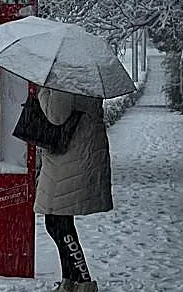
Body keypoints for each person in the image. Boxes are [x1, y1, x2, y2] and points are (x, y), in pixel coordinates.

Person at [34, 85, 112, 292]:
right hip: (73, 154)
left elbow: (56, 115)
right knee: (57, 221)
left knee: (58, 222)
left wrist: (42, 91)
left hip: (71, 156)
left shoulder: (65, 77)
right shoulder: (81, 76)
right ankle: (70, 279)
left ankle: (84, 281)